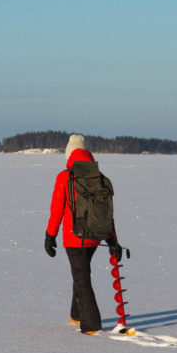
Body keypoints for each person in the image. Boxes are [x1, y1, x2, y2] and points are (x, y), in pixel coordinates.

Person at [44, 134, 122, 334]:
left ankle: (91, 326)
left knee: (82, 278)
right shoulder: (99, 177)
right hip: (95, 236)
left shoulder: (64, 177)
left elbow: (57, 211)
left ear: (69, 154)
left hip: (74, 237)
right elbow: (105, 213)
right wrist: (112, 240)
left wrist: (50, 236)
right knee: (80, 273)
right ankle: (76, 315)